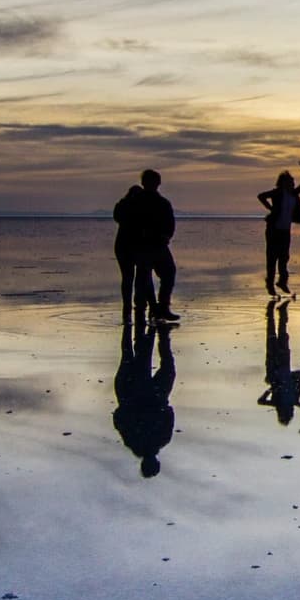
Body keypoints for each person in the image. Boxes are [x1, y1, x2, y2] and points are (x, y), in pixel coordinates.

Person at [113, 321, 175, 478]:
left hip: (139, 396)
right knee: (134, 354)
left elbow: (169, 413)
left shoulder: (158, 439)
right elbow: (118, 418)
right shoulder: (141, 441)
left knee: (151, 360)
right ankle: (157, 331)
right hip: (143, 396)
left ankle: (158, 332)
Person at [126, 169, 180, 321]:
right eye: (150, 182)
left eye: (155, 182)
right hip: (142, 246)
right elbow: (124, 219)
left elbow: (170, 224)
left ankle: (163, 308)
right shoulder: (136, 202)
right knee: (143, 277)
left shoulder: (162, 203)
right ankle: (141, 309)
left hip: (159, 245)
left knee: (168, 273)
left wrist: (166, 237)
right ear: (144, 183)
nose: (153, 184)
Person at [255, 164, 300, 295]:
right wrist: (270, 208)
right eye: (290, 181)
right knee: (272, 258)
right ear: (284, 182)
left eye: (293, 181)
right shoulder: (277, 192)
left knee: (284, 257)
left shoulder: (293, 194)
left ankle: (282, 282)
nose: (292, 183)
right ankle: (270, 285)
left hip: (285, 230)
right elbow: (261, 196)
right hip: (273, 230)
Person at [257, 298, 300, 431]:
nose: (290, 412)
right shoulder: (293, 401)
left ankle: (271, 311)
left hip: (274, 367)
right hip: (284, 364)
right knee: (282, 333)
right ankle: (282, 310)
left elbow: (260, 401)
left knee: (273, 334)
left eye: (288, 414)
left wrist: (271, 389)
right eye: (290, 414)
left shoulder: (277, 403)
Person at [111, 184, 149, 323]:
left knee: (132, 278)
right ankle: (133, 309)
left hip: (127, 246)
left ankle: (133, 308)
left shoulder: (123, 206)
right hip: (128, 246)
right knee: (132, 278)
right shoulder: (129, 207)